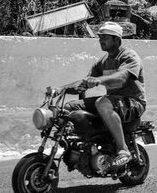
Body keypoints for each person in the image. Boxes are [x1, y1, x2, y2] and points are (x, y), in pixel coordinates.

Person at [51, 21, 146, 167]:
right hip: (112, 102)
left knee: (102, 102)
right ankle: (81, 146)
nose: (101, 40)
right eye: (100, 37)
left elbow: (122, 77)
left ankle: (123, 149)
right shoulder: (102, 62)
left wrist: (97, 81)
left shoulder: (129, 56)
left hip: (133, 103)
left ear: (117, 39)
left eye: (105, 38)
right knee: (70, 107)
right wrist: (60, 89)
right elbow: (83, 84)